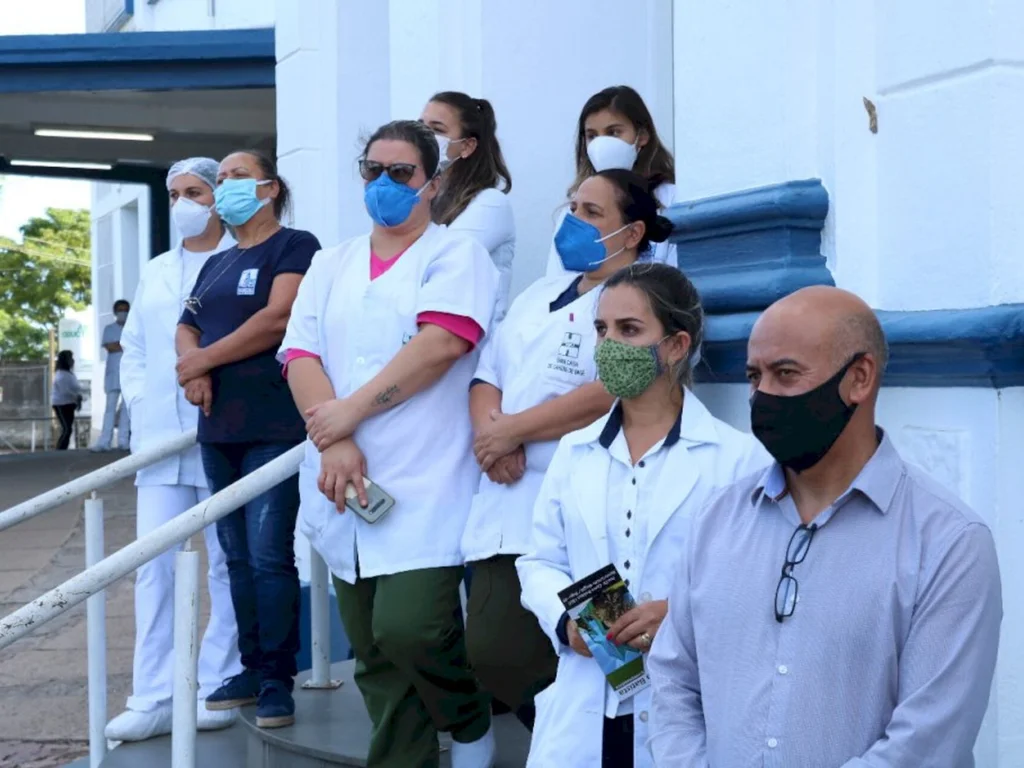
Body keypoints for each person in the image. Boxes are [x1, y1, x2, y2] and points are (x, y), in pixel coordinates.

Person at [647, 286, 1002, 767]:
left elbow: (927, 741)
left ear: (859, 378)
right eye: (754, 377)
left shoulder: (948, 543)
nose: (763, 395)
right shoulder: (716, 520)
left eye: (786, 374)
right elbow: (673, 683)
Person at [280, 119, 499, 768]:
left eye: (400, 172)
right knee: (374, 656)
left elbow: (443, 344)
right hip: (341, 477)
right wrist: (335, 439)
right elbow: (300, 354)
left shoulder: (455, 255)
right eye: (371, 170)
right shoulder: (331, 262)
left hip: (424, 478)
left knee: (413, 629)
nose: (383, 183)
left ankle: (467, 715)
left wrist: (347, 414)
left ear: (431, 183)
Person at [516, 263, 770, 768]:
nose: (609, 345)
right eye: (602, 330)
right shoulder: (574, 451)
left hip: (688, 700)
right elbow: (539, 560)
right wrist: (567, 619)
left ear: (676, 346)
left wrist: (680, 615)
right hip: (587, 699)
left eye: (629, 330)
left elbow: (759, 582)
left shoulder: (739, 460)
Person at [463, 170, 673, 732]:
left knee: (618, 664)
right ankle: (564, 739)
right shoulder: (537, 294)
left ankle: (615, 743)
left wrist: (513, 431)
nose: (572, 220)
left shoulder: (641, 298)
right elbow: (487, 374)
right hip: (508, 500)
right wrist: (494, 434)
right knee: (497, 651)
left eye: (591, 212)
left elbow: (612, 385)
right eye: (572, 206)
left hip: (595, 506)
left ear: (630, 233)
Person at [175, 149, 320, 729]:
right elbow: (185, 327)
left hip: (273, 426)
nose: (224, 186)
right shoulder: (216, 262)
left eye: (235, 176)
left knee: (267, 555)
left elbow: (276, 319)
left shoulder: (295, 245)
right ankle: (252, 666)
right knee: (233, 558)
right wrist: (196, 368)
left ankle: (278, 678)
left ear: (268, 188)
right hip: (219, 432)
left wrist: (201, 360)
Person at [106, 157, 242, 742]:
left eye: (194, 191)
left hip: (223, 430)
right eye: (173, 193)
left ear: (219, 198)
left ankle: (219, 683)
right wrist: (140, 403)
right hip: (162, 439)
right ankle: (154, 694)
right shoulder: (157, 270)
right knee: (151, 570)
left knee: (226, 564)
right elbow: (135, 348)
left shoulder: (243, 262)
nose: (182, 202)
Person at [545, 85, 677, 277]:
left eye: (613, 132)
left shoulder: (671, 199)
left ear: (642, 136)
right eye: (592, 136)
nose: (601, 144)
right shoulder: (575, 208)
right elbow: (558, 280)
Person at [420, 91, 515, 321]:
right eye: (421, 126)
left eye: (437, 129)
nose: (424, 136)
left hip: (472, 342)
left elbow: (438, 262)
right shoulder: (426, 194)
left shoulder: (491, 203)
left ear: (467, 146)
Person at [91, 299, 131, 451]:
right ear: (115, 312)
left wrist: (119, 344)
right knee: (110, 408)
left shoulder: (133, 328)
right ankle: (104, 441)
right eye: (120, 310)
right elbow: (110, 347)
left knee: (127, 410)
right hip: (113, 374)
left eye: (125, 310)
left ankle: (124, 441)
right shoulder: (109, 329)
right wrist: (125, 344)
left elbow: (121, 345)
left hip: (129, 373)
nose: (123, 313)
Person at [51, 349, 85, 450]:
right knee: (67, 428)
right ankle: (60, 449)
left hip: (69, 403)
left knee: (68, 428)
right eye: (71, 358)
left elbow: (74, 388)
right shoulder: (61, 374)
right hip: (61, 404)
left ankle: (62, 448)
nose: (73, 360)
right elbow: (64, 390)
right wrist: (76, 396)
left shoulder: (69, 374)